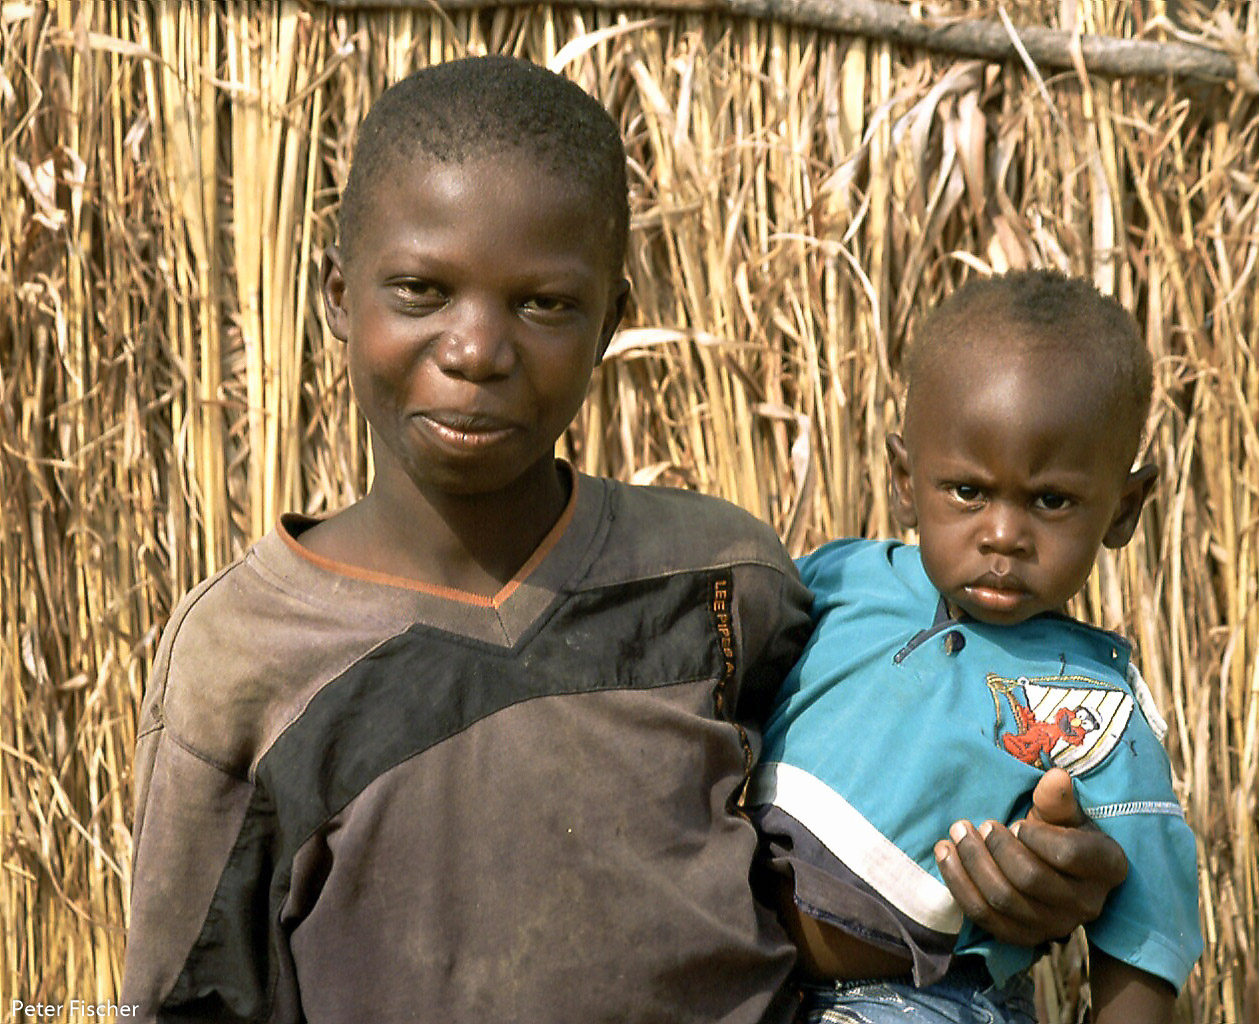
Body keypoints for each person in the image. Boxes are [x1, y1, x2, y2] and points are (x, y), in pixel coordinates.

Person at [121, 59, 1128, 1023]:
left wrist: (1038, 872)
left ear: (611, 319)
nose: (476, 350)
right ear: (338, 294)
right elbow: (193, 998)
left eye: (543, 304)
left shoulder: (722, 582)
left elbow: (901, 806)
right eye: (421, 290)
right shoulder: (245, 658)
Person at [749, 270, 1203, 1024]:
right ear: (905, 479)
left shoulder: (1094, 709)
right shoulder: (833, 582)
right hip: (750, 987)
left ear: (1123, 509)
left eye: (1050, 500)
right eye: (967, 491)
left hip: (929, 1004)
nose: (1003, 534)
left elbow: (1147, 932)